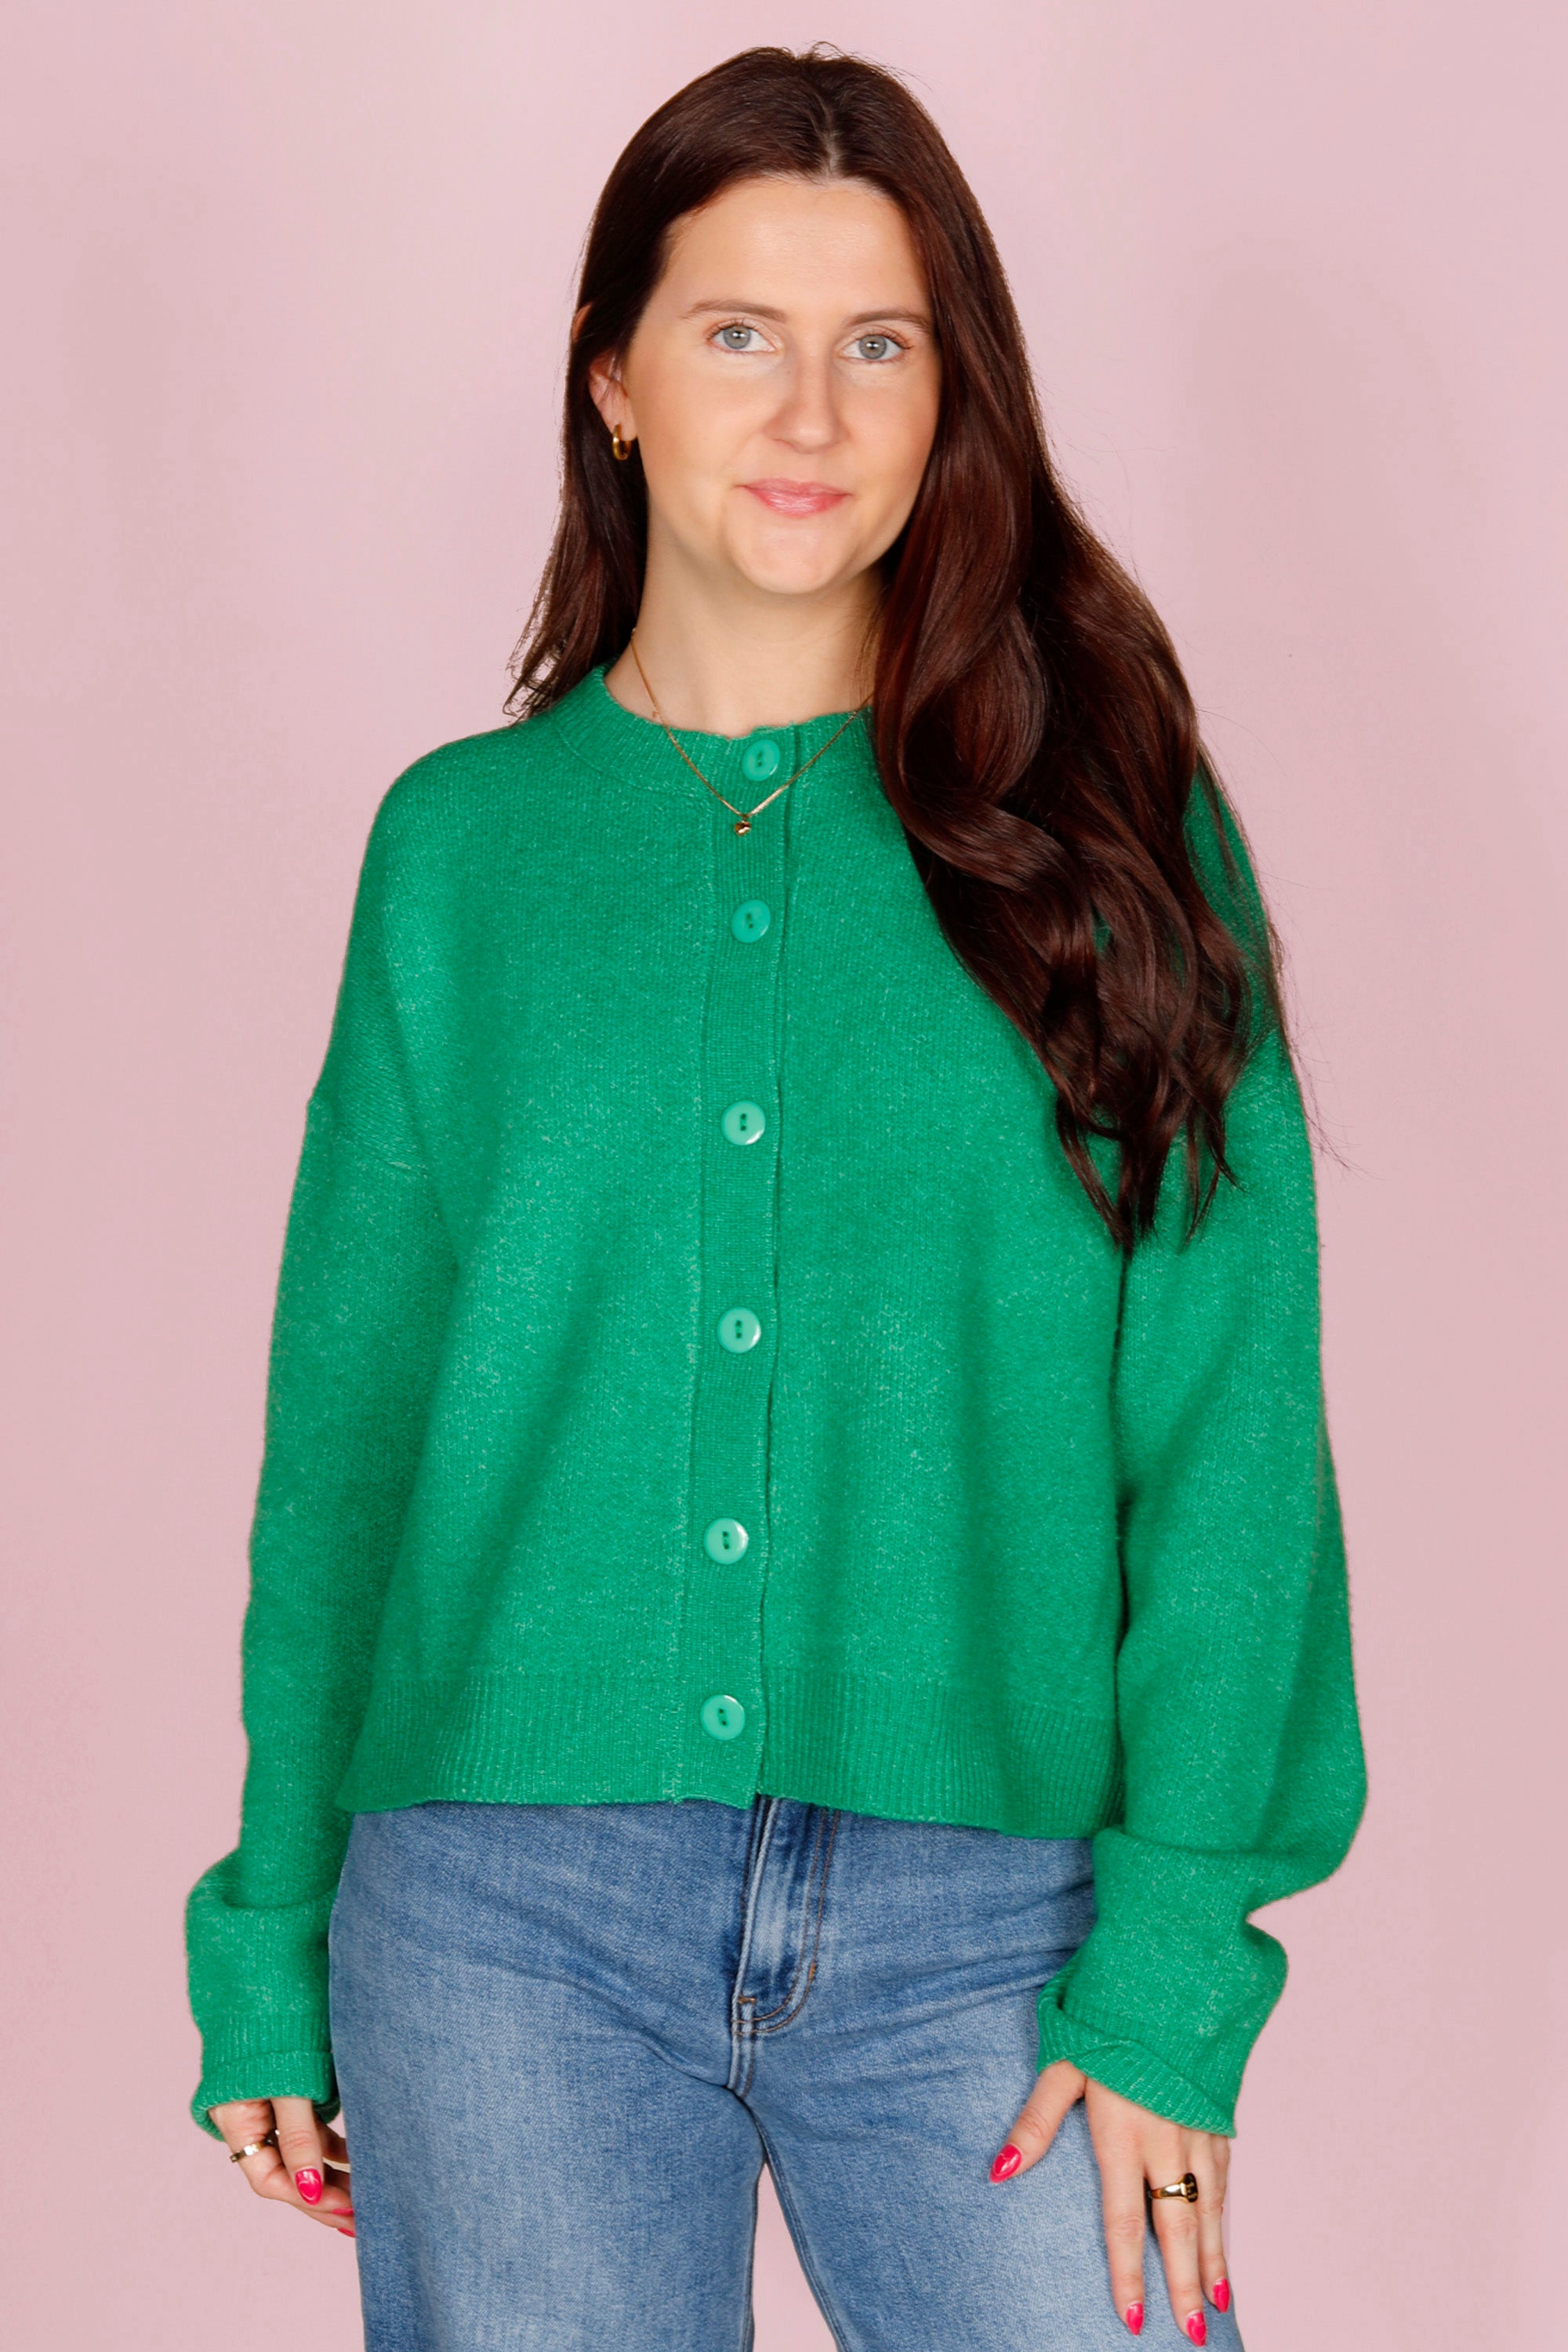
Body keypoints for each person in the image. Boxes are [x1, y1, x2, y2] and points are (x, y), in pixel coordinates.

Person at [185, 43, 1366, 2352]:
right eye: (740, 333)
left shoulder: (1114, 842)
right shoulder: (461, 858)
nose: (810, 412)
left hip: (998, 1928)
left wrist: (1171, 1964)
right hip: (500, 1924)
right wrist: (266, 1936)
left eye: (879, 344)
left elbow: (1234, 1423)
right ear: (613, 377)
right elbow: (348, 1442)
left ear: (950, 397)